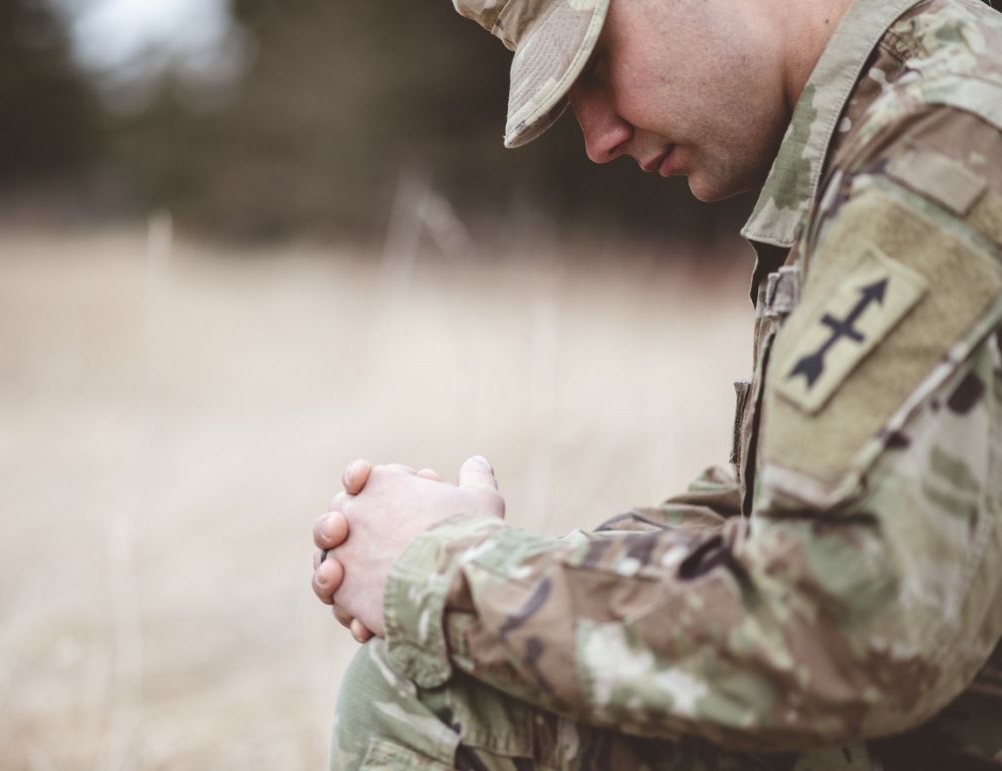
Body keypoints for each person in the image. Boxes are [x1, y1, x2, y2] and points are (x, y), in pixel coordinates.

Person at [310, 0, 1002, 767]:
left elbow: (847, 621)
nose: (600, 137)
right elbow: (777, 505)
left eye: (599, 62)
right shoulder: (896, 117)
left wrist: (447, 573)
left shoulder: (944, 146)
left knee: (428, 704)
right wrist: (499, 560)